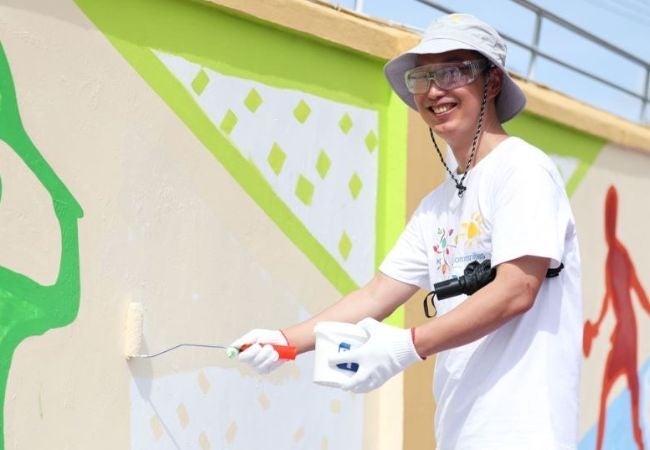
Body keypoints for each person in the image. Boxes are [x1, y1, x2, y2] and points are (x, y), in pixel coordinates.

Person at [231, 13, 582, 450]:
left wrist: (407, 346)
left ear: (491, 83)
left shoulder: (522, 171)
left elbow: (516, 289)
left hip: (526, 434)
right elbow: (377, 294)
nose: (435, 90)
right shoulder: (437, 207)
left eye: (454, 70)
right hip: (461, 432)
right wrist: (285, 341)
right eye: (423, 76)